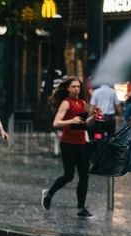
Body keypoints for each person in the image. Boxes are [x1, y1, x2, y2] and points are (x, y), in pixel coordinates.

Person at [41, 76, 98, 218]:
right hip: (67, 143)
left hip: (81, 143)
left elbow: (85, 124)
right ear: (67, 88)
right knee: (69, 176)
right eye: (73, 87)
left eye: (78, 86)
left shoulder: (82, 103)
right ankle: (49, 193)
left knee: (84, 176)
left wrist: (94, 116)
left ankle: (81, 208)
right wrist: (71, 120)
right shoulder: (66, 103)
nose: (76, 89)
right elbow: (56, 123)